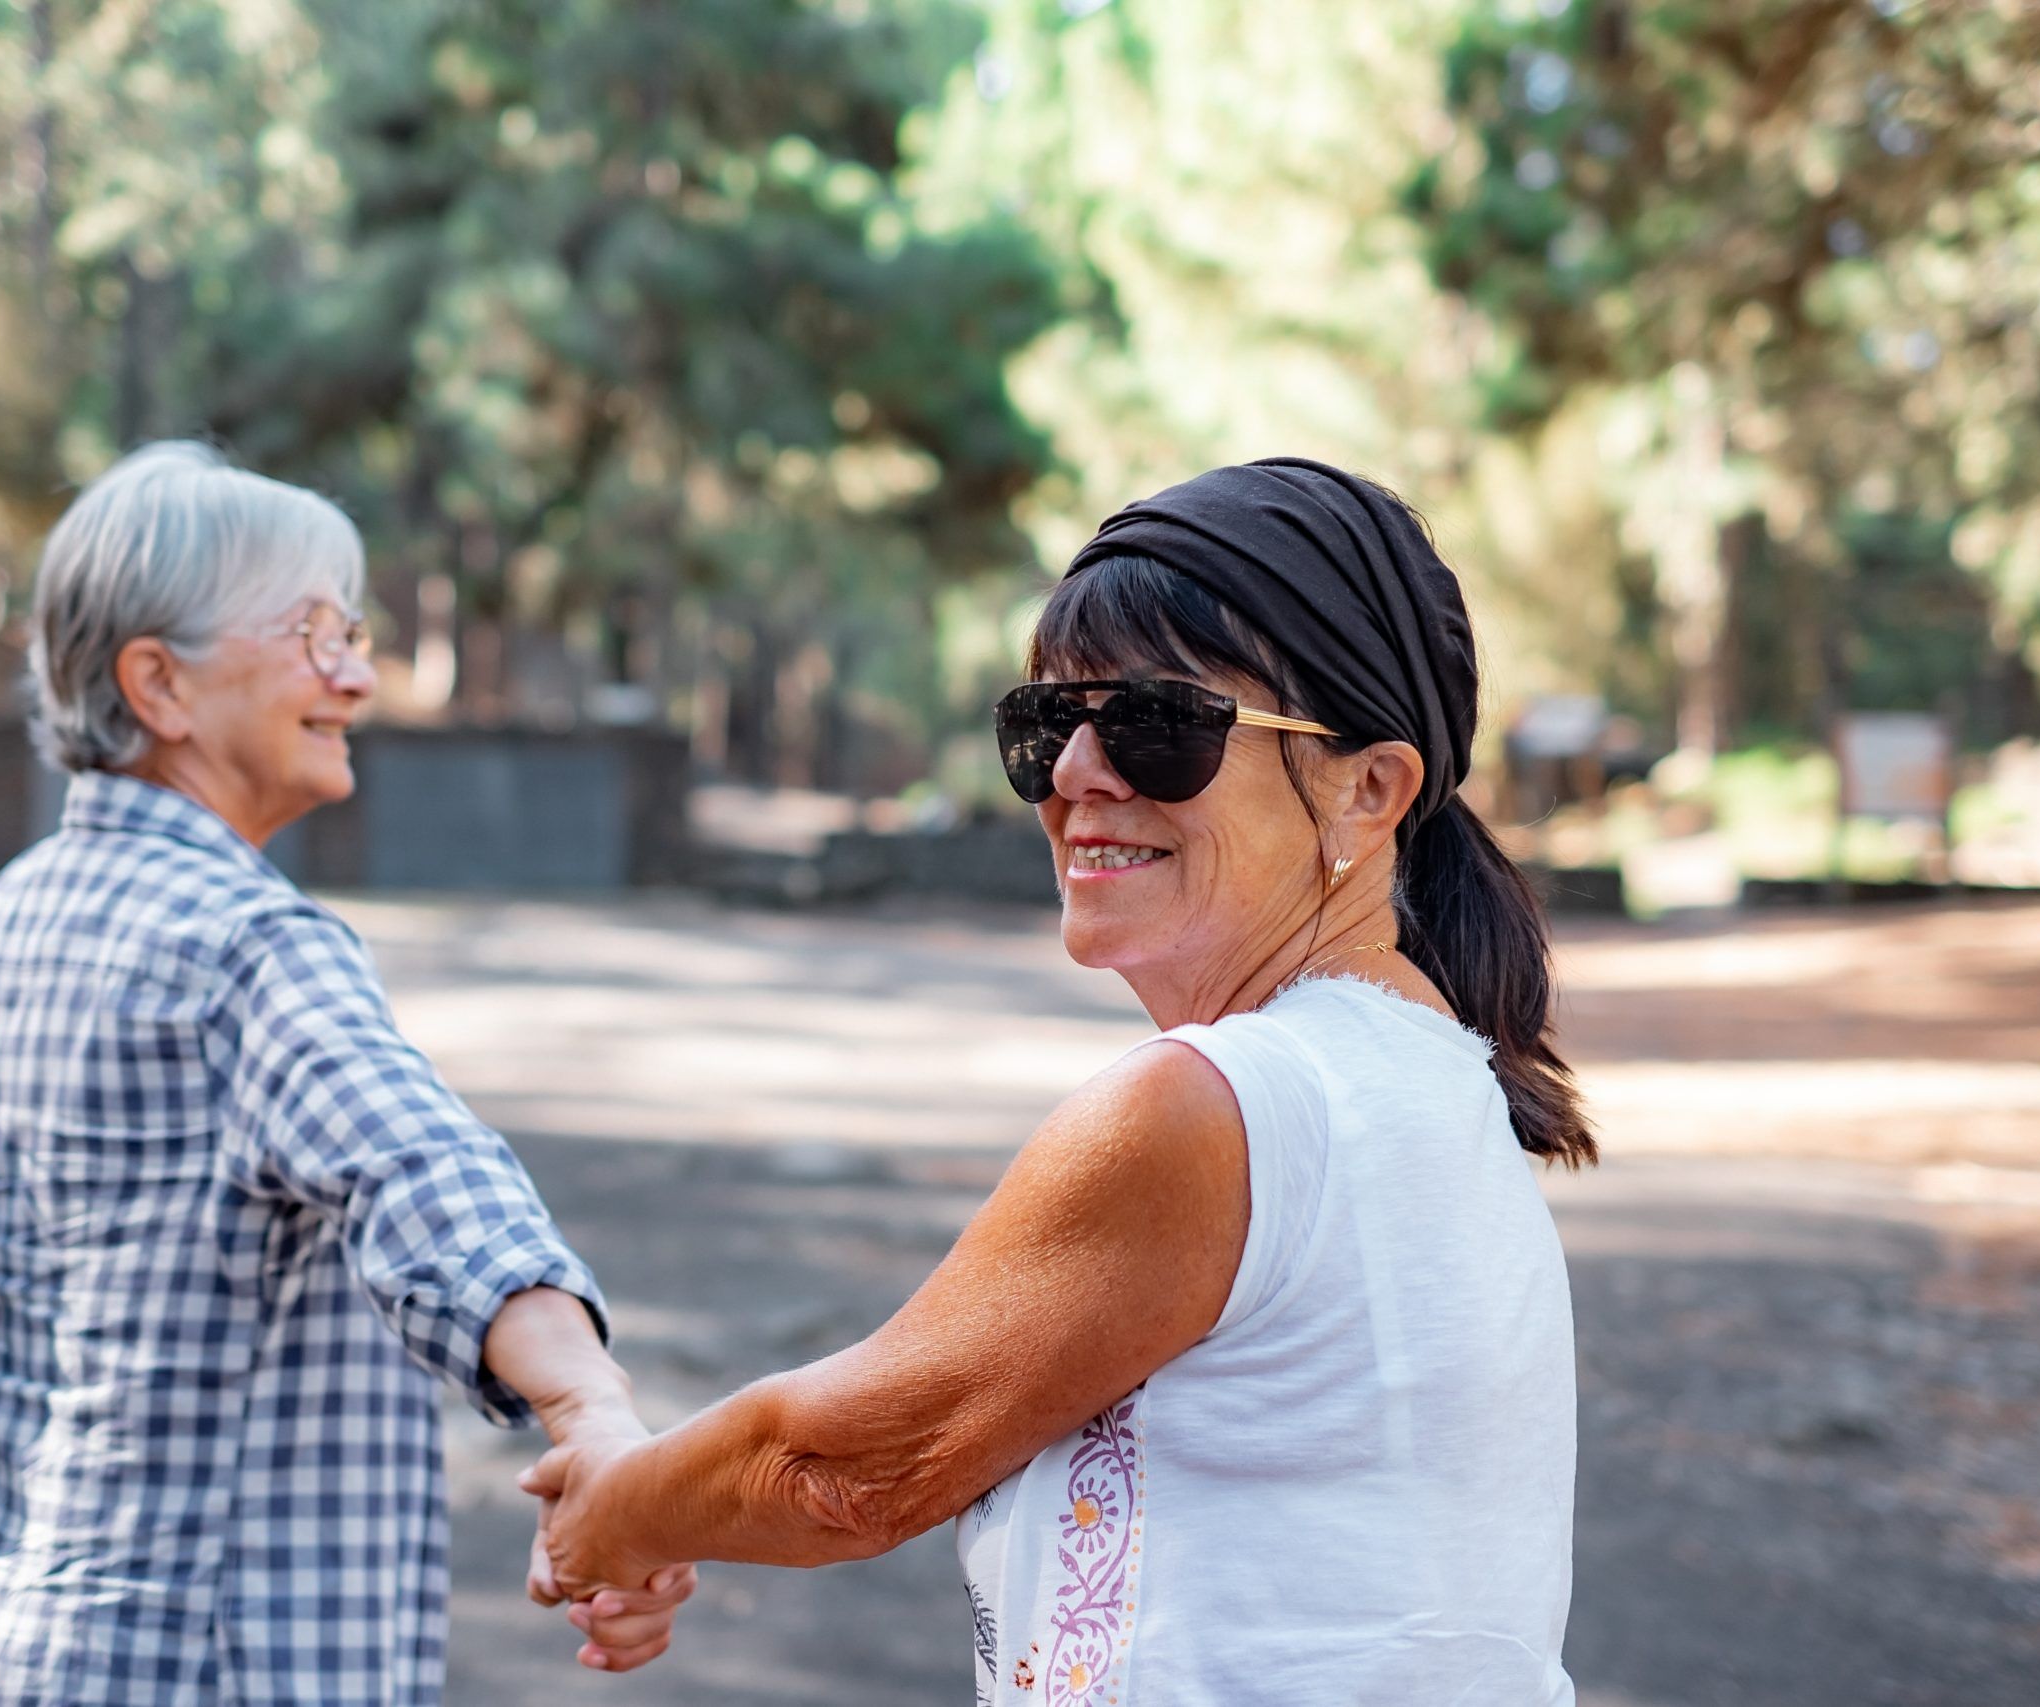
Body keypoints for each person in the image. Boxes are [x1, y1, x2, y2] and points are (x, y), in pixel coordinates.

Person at [522, 458, 1594, 1703]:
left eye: (1157, 726)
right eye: (1046, 724)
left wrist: (608, 1516)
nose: (1081, 772)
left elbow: (843, 1468)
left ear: (1370, 789)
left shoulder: (1215, 1106)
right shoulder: (1431, 1076)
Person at [0, 442, 690, 1704]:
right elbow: (420, 1172)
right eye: (314, 634)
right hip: (194, 1656)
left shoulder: (12, 911)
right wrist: (588, 1408)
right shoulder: (247, 941)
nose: (357, 677)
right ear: (159, 683)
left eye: (354, 632)